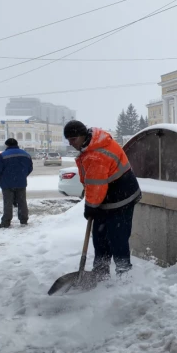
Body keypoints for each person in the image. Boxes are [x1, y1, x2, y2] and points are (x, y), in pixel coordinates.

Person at [64, 120, 141, 280]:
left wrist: (91, 206)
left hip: (121, 198)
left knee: (117, 237)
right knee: (100, 236)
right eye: (69, 140)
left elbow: (96, 184)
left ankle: (124, 275)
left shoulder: (96, 155)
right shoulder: (90, 146)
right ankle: (100, 273)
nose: (71, 143)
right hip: (106, 198)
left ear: (83, 135)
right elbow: (93, 184)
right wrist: (93, 205)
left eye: (73, 139)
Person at [0, 138, 33, 228]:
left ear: (7, 145)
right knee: (22, 202)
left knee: (8, 203)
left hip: (7, 183)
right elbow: (30, 168)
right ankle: (24, 220)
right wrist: (23, 175)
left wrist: (0, 179)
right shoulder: (25, 154)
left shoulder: (3, 155)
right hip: (21, 182)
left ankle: (6, 222)